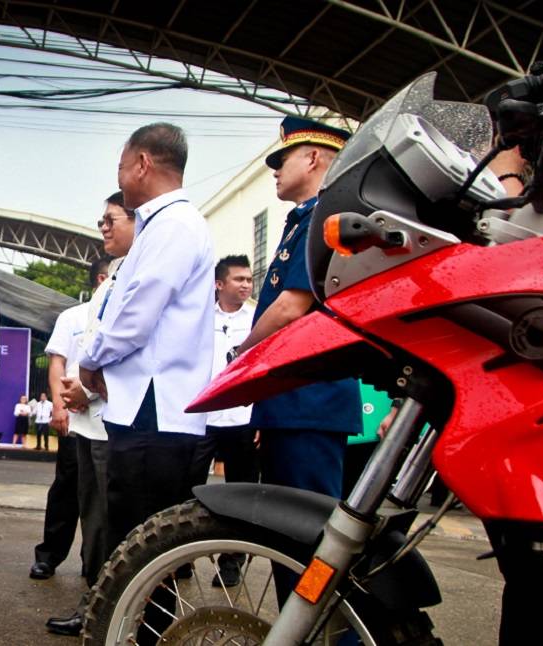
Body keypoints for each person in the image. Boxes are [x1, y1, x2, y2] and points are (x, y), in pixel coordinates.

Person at [78, 124, 214, 645]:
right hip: (143, 409)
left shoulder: (175, 225)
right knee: (135, 543)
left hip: (156, 412)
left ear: (141, 164)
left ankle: (143, 637)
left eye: (120, 166)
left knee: (144, 546)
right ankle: (130, 632)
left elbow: (137, 315)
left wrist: (91, 359)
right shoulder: (159, 225)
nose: (119, 176)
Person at [232, 117, 361, 500]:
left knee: (305, 519)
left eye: (282, 159)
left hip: (310, 397)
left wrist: (244, 354)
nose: (275, 170)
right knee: (284, 524)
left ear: (312, 158)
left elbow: (291, 305)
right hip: (293, 398)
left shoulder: (326, 215)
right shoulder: (304, 219)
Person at [47, 196, 133, 637]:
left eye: (110, 219)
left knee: (105, 524)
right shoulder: (112, 278)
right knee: (92, 518)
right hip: (88, 421)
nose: (102, 226)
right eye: (100, 219)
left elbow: (129, 345)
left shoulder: (137, 273)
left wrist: (87, 389)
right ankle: (97, 602)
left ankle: (104, 610)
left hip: (109, 421)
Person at [191, 254, 258, 588]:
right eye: (239, 279)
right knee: (187, 489)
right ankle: (181, 558)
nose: (246, 285)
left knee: (240, 494)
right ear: (219, 284)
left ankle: (231, 562)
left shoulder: (260, 318)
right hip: (202, 418)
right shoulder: (199, 317)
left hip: (244, 418)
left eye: (248, 279)